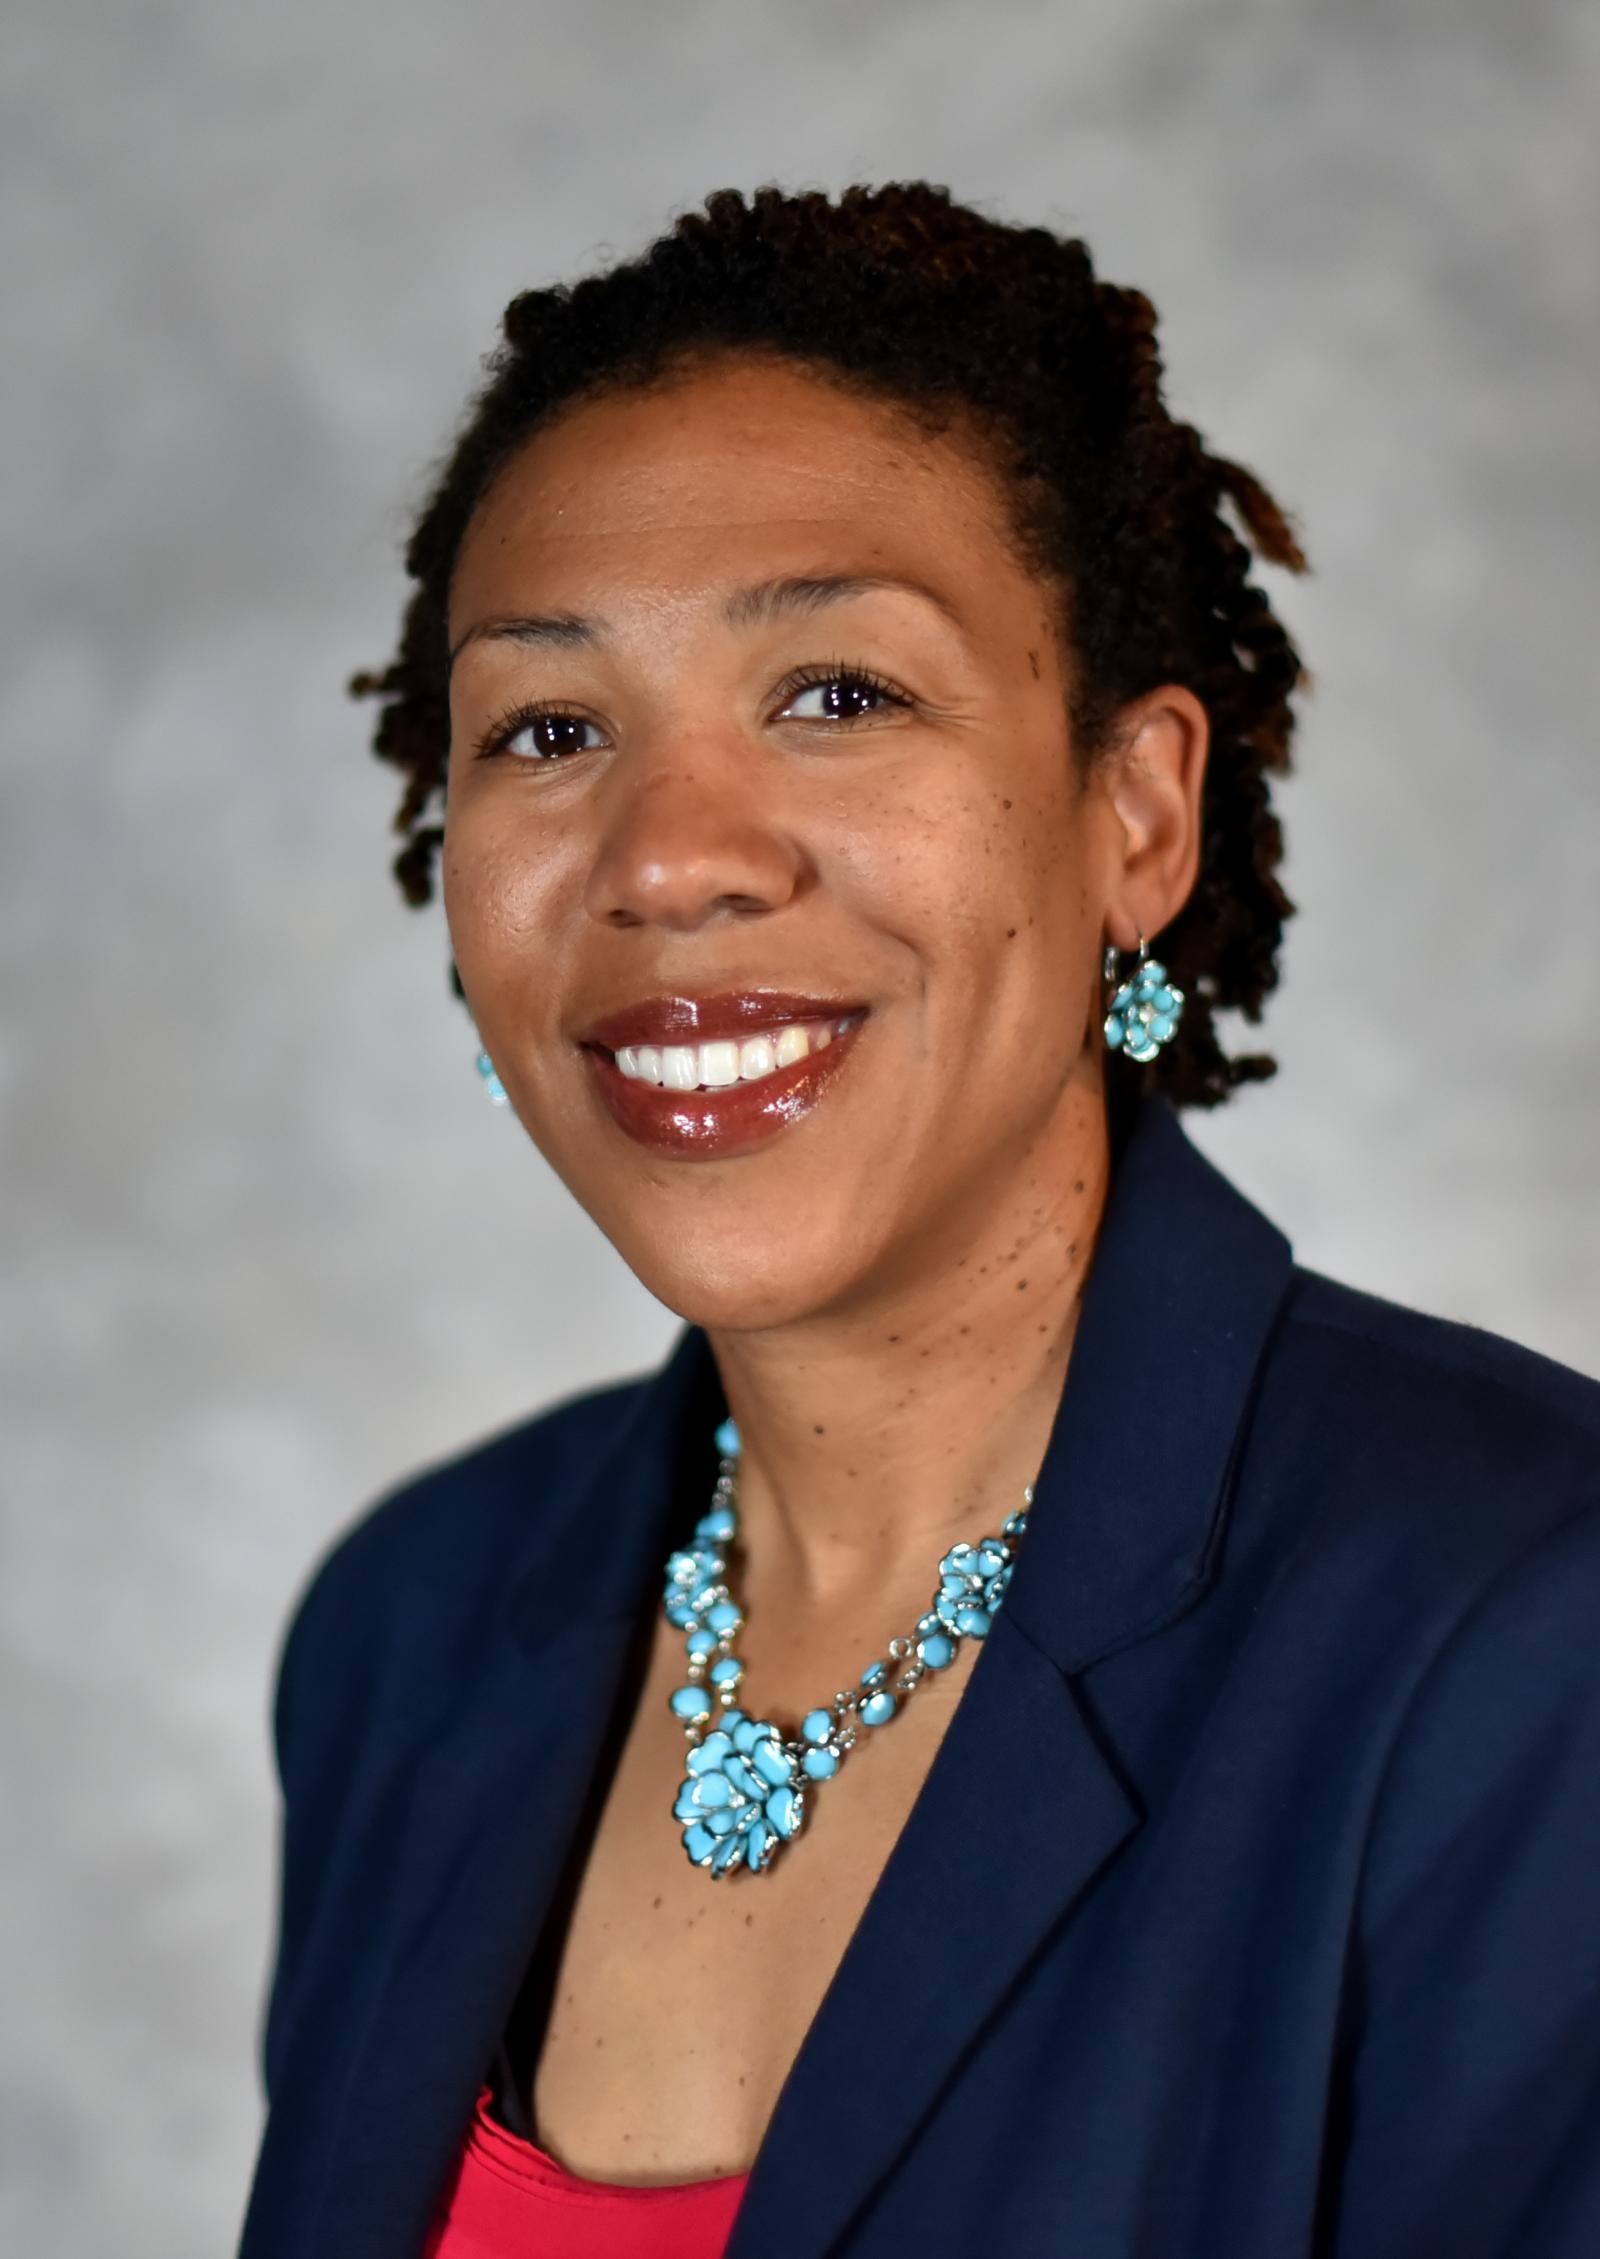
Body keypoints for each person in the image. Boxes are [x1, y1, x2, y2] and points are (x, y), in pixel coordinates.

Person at [237, 184, 1600, 2259]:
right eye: (550, 728)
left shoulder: (1525, 1637)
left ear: (1135, 814)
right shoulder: (402, 1634)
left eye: (838, 694)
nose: (668, 859)